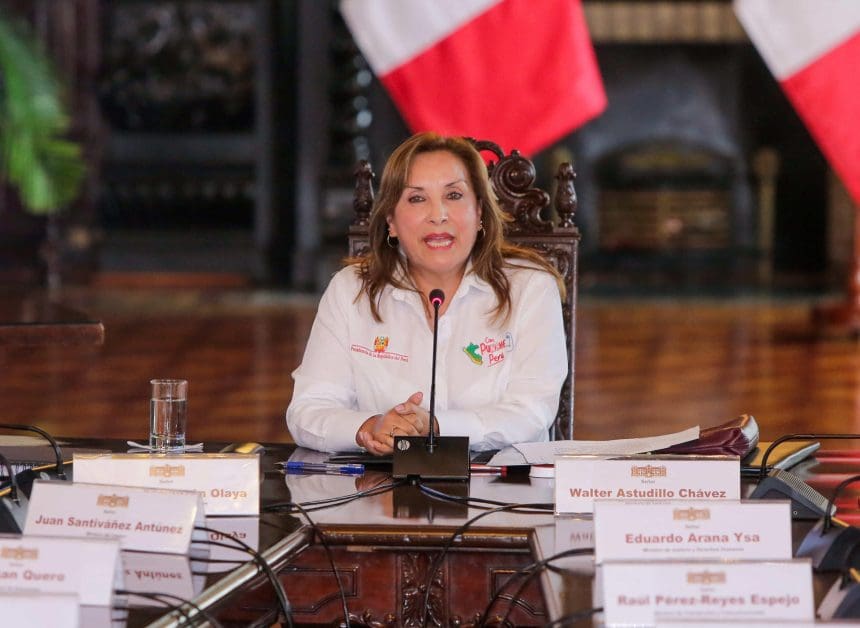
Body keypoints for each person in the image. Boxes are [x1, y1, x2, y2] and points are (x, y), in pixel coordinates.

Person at [286, 132, 567, 455]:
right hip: (379, 492)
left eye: (454, 195)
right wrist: (369, 427)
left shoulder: (530, 287)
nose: (438, 215)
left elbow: (532, 413)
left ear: (480, 213)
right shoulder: (352, 289)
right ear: (390, 220)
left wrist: (434, 428)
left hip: (501, 493)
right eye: (417, 198)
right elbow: (307, 411)